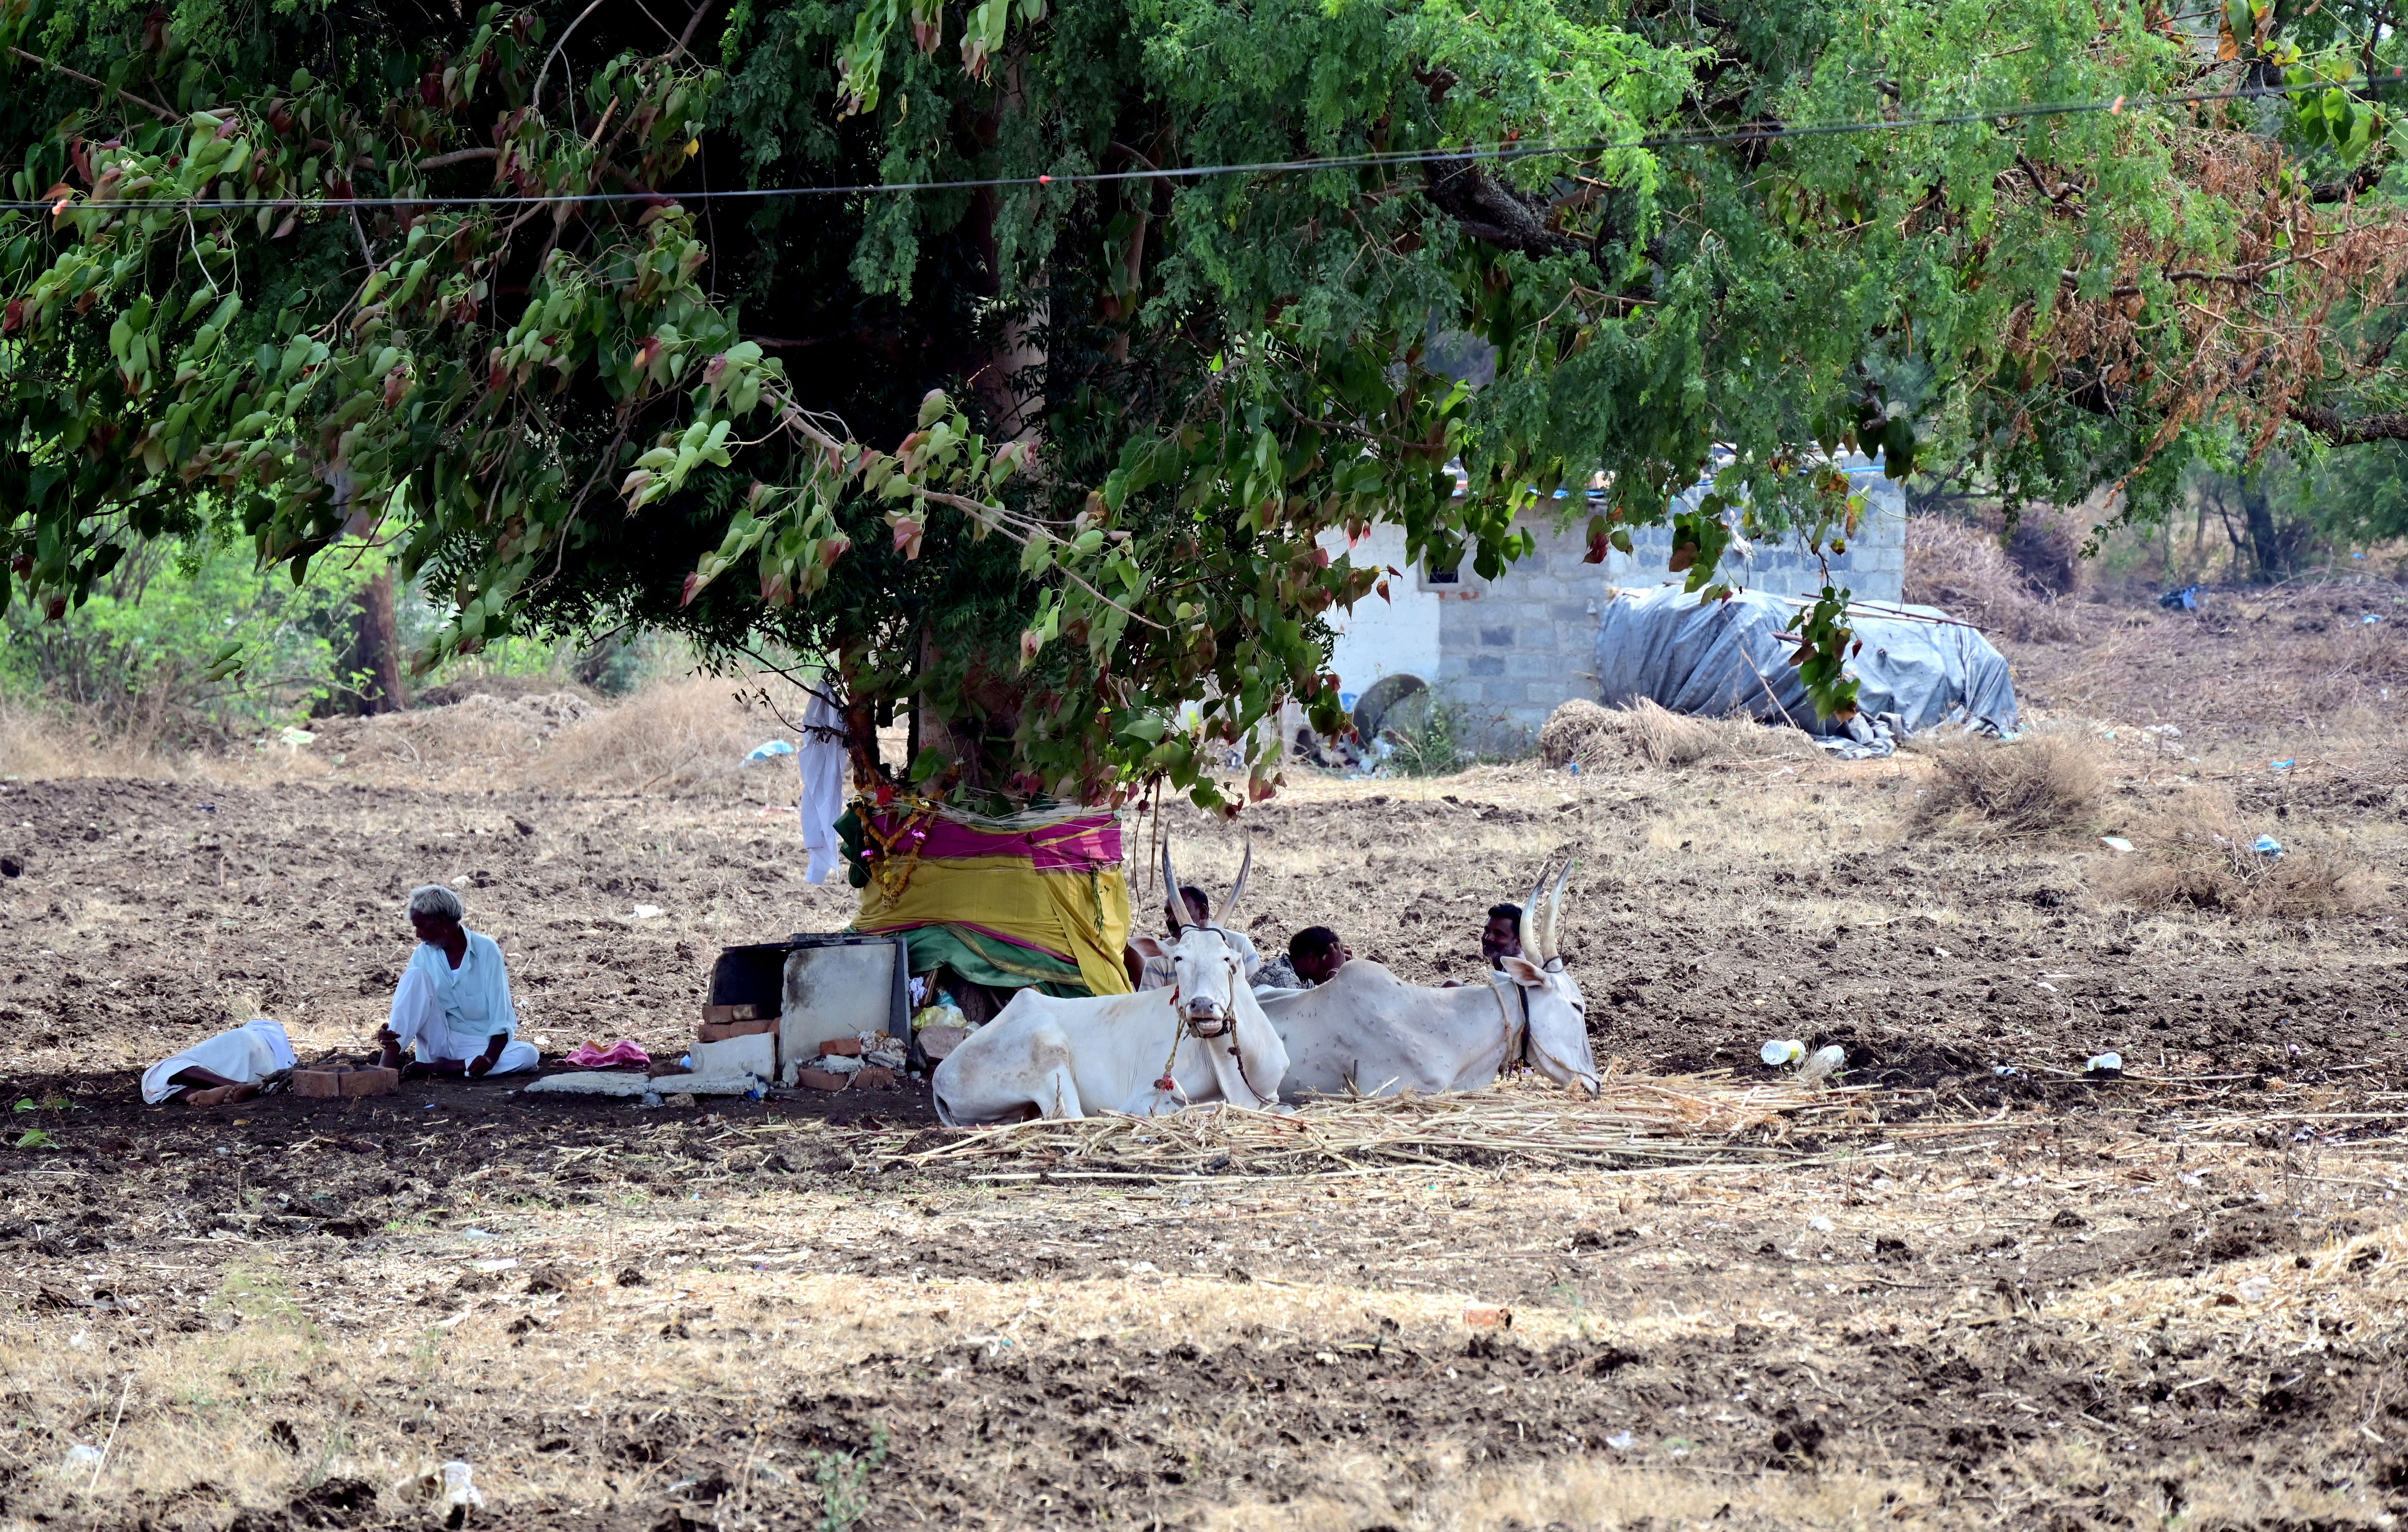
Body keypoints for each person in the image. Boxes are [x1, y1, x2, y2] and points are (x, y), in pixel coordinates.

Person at [376, 885, 541, 1078]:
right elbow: (410, 1004)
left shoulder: (486, 950)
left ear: (440, 921)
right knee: (414, 977)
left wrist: (489, 1058)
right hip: (437, 1042)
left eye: (420, 926)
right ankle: (383, 1070)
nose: (418, 935)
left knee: (528, 1055)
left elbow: (501, 1016)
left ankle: (447, 1068)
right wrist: (390, 1033)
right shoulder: (423, 953)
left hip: (476, 1044)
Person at [142, 1018, 297, 1106]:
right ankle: (203, 1093)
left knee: (161, 1072)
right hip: (266, 1074)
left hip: (245, 1040)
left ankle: (234, 1084)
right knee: (164, 1085)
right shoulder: (290, 1062)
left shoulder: (259, 1028)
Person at [1137, 884, 1264, 989]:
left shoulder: (1240, 945)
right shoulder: (1158, 958)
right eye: (1167, 913)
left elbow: (1259, 994)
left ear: (1203, 912)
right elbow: (1148, 1007)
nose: (1170, 920)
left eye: (1178, 912)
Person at [1445, 902, 1525, 988]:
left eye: (1499, 934)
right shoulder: (1509, 960)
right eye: (1487, 931)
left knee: (1450, 985)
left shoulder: (1514, 966)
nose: (1488, 938)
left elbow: (1502, 1000)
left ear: (1518, 942)